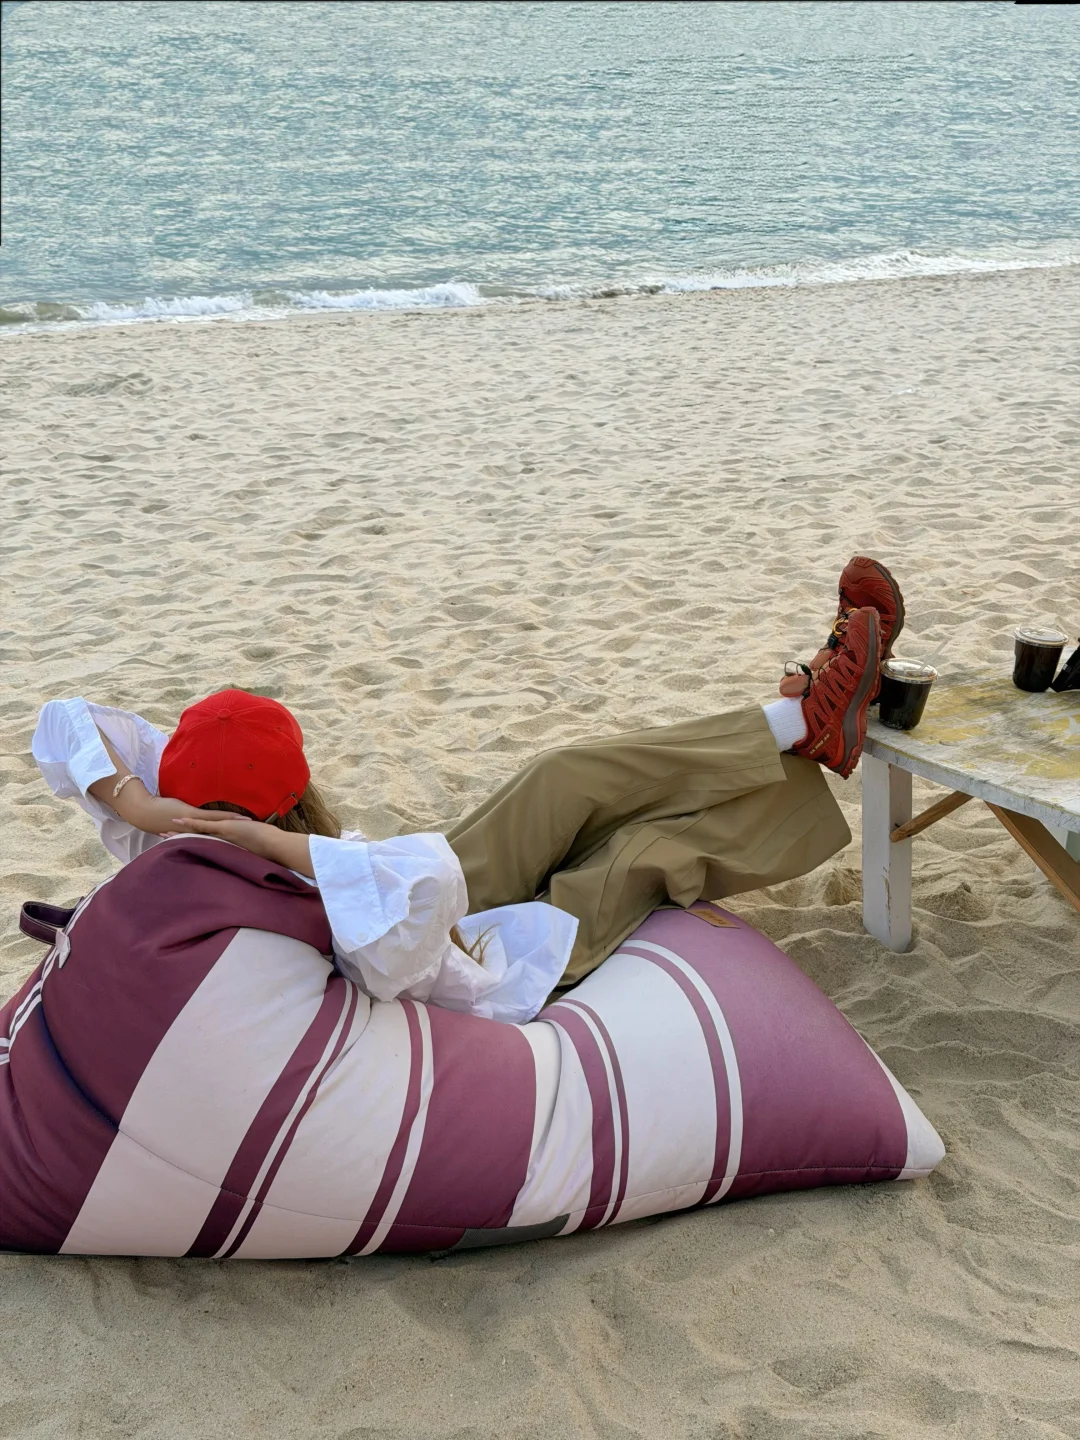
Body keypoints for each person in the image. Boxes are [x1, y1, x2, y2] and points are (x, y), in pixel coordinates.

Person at [31, 557, 904, 1023]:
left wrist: (138, 804)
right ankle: (807, 728)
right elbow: (419, 894)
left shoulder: (160, 831)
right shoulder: (279, 876)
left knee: (562, 775)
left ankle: (798, 723)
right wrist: (266, 843)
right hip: (489, 954)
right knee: (644, 847)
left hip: (432, 880)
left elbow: (64, 718)